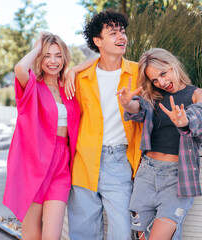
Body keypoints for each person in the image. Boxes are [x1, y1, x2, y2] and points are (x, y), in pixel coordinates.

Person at [116, 47, 202, 240]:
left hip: (177, 178)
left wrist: (184, 121)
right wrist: (127, 103)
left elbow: (200, 112)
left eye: (163, 73)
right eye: (154, 80)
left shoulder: (200, 94)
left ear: (173, 64)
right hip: (146, 175)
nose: (161, 82)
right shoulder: (153, 98)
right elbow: (138, 107)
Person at [64, 11, 143, 240]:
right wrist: (73, 70)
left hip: (119, 159)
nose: (122, 37)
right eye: (113, 33)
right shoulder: (80, 78)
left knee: (122, 230)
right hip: (84, 160)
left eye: (123, 32)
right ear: (98, 41)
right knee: (84, 232)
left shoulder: (138, 72)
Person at [2, 32, 81, 240]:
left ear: (64, 58)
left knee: (52, 235)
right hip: (33, 165)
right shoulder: (33, 87)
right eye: (47, 56)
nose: (53, 61)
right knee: (31, 235)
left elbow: (97, 61)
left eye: (58, 55)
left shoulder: (70, 88)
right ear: (39, 58)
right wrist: (39, 47)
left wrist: (74, 70)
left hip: (61, 165)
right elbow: (19, 68)